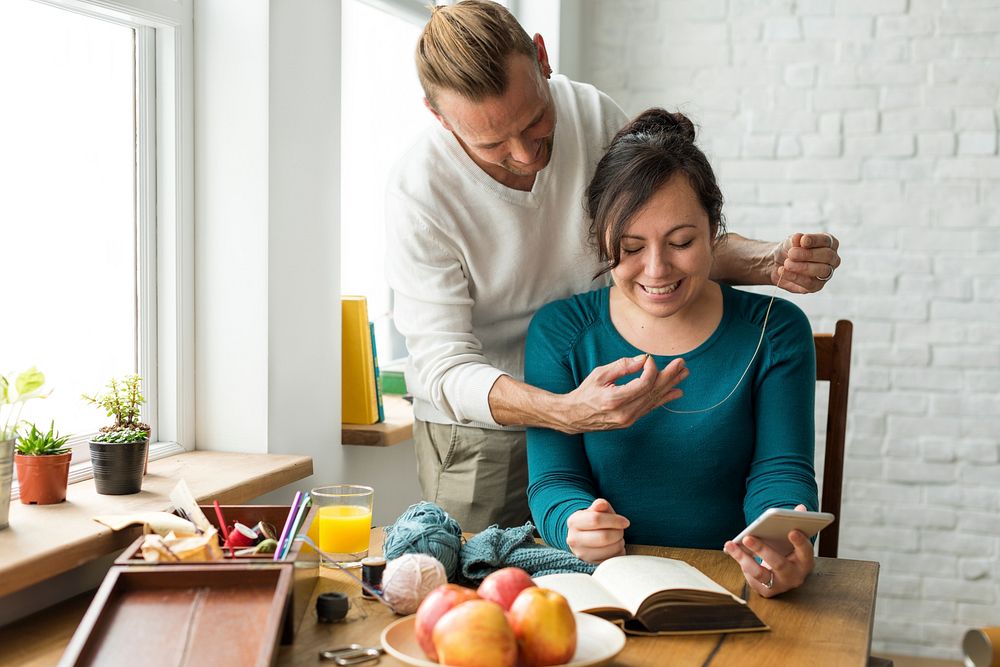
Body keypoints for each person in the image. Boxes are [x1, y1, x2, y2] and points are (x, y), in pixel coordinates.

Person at [386, 0, 839, 533]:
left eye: (535, 121)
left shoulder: (591, 114)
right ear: (439, 117)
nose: (527, 154)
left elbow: (658, 223)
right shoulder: (420, 191)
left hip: (595, 382)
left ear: (541, 57)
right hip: (480, 425)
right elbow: (442, 365)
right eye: (491, 145)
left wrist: (769, 261)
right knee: (486, 586)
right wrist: (565, 411)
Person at [524, 108, 818, 597]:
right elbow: (553, 479)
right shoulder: (560, 332)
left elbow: (781, 471)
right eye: (632, 246)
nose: (657, 270)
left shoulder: (776, 330)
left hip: (732, 582)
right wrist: (575, 521)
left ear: (714, 230)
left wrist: (778, 545)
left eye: (681, 241)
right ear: (601, 237)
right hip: (604, 586)